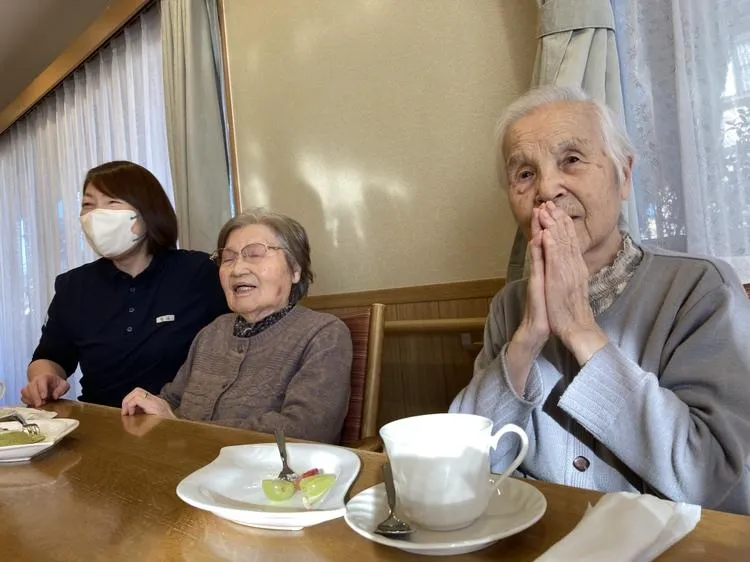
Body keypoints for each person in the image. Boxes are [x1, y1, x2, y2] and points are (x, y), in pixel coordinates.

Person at [450, 85, 750, 515]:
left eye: (571, 159)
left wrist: (579, 328)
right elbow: (465, 464)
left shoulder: (700, 287)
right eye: (525, 174)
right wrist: (527, 338)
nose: (546, 189)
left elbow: (711, 476)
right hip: (536, 535)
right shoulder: (508, 306)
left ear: (624, 175)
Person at [121, 209, 353, 444]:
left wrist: (185, 429)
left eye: (255, 254)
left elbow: (306, 429)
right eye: (228, 258)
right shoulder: (212, 332)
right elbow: (173, 399)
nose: (237, 269)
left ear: (295, 270)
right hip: (185, 459)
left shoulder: (323, 334)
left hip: (271, 468)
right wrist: (149, 404)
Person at [21, 161, 228, 408]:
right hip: (102, 420)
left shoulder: (199, 272)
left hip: (180, 419)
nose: (96, 215)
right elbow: (50, 356)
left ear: (148, 211)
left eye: (112, 202)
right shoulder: (73, 286)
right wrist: (43, 378)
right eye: (88, 205)